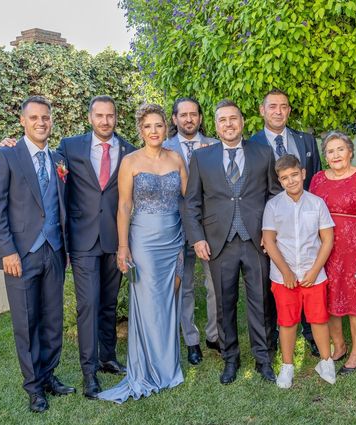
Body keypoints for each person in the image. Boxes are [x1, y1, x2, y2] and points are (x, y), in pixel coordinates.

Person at [0, 96, 136, 399]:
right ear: (90, 118)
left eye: (110, 115)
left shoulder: (129, 150)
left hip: (115, 240)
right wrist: (12, 142)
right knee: (88, 305)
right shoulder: (69, 148)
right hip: (82, 238)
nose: (105, 121)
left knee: (109, 304)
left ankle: (107, 357)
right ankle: (89, 373)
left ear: (116, 117)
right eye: (99, 115)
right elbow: (33, 156)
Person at [0, 96, 75, 412]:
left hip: (53, 251)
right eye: (34, 117)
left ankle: (49, 375)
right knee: (27, 320)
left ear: (51, 121)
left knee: (52, 318)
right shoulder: (5, 155)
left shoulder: (58, 158)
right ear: (23, 121)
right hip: (21, 255)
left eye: (45, 117)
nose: (40, 123)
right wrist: (6, 251)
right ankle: (34, 387)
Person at [183, 99, 281, 385]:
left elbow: (275, 195)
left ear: (242, 122)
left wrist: (270, 232)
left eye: (233, 119)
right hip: (218, 242)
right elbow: (192, 203)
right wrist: (197, 238)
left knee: (261, 301)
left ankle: (263, 359)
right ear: (215, 125)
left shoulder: (263, 153)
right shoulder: (202, 158)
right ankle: (230, 359)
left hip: (256, 240)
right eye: (223, 120)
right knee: (224, 303)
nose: (229, 124)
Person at [98, 104, 186, 403]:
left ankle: (168, 367)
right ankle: (148, 369)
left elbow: (188, 199)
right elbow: (123, 206)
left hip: (174, 238)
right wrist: (123, 246)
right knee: (149, 304)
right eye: (147, 126)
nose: (153, 131)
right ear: (140, 129)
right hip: (144, 242)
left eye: (158, 125)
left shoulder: (177, 158)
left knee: (169, 300)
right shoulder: (130, 161)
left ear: (166, 127)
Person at [250, 88, 323, 358]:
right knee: (275, 279)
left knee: (307, 275)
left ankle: (311, 333)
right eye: (273, 106)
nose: (278, 111)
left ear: (289, 111)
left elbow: (314, 181)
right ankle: (275, 336)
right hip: (272, 223)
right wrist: (261, 229)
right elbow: (252, 190)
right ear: (262, 110)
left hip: (304, 221)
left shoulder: (305, 141)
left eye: (284, 106)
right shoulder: (252, 144)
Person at [310, 131, 356, 374]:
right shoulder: (318, 180)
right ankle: (339, 346)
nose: (336, 155)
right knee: (329, 298)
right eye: (330, 151)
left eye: (340, 149)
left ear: (350, 151)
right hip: (326, 249)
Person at [262, 154, 336, 388]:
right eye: (285, 178)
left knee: (319, 319)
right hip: (284, 277)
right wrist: (285, 272)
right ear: (279, 180)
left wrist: (315, 271)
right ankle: (287, 366)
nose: (291, 181)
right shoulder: (273, 205)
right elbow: (269, 240)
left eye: (294, 175)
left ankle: (326, 361)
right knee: (287, 321)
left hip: (313, 274)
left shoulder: (317, 203)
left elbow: (327, 239)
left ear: (303, 173)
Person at [162, 97, 220, 365]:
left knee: (214, 284)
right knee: (184, 286)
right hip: (175, 229)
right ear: (174, 119)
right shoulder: (162, 148)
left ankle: (214, 334)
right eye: (183, 115)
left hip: (210, 228)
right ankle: (191, 340)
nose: (189, 119)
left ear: (200, 117)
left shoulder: (216, 146)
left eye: (193, 114)